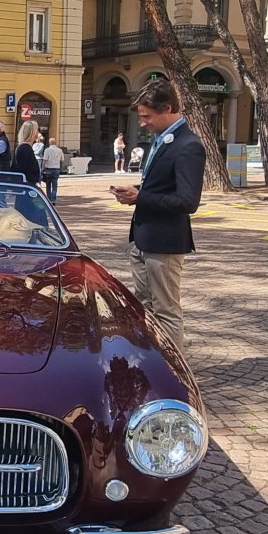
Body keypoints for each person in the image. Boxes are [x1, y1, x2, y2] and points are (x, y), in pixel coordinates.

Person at [109, 78, 203, 352]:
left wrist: (141, 197)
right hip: (144, 238)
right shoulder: (162, 140)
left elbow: (187, 201)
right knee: (144, 305)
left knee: (166, 310)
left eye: (147, 116)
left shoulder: (188, 145)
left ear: (168, 109)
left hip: (164, 243)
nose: (143, 123)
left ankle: (173, 369)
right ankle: (150, 360)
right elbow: (160, 187)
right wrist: (136, 192)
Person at [11, 120, 43, 188]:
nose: (38, 133)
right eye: (37, 130)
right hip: (25, 187)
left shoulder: (25, 147)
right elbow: (22, 170)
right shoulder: (25, 148)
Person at [41, 136, 65, 203]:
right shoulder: (60, 150)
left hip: (49, 169)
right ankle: (53, 199)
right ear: (55, 143)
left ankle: (49, 199)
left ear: (49, 143)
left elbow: (45, 160)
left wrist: (42, 169)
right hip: (56, 169)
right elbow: (62, 159)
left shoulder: (47, 150)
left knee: (48, 185)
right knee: (55, 185)